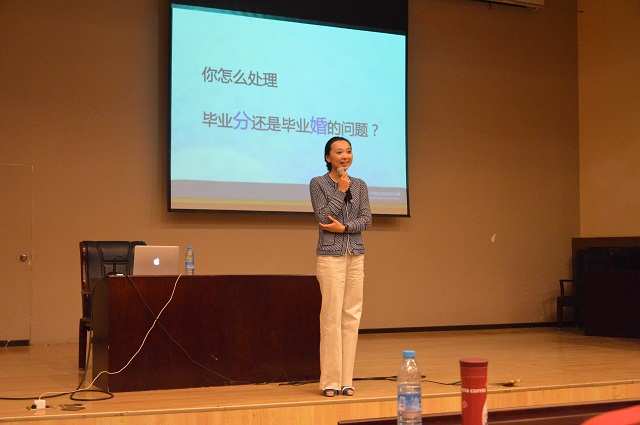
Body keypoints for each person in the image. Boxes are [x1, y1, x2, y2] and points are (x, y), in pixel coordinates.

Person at [309, 136, 372, 397]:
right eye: (338, 152)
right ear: (328, 157)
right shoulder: (318, 183)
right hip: (330, 257)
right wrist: (340, 190)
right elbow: (323, 217)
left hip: (355, 254)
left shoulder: (360, 185)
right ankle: (330, 381)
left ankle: (346, 379)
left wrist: (345, 228)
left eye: (348, 151)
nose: (345, 156)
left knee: (351, 317)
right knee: (331, 318)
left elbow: (366, 220)